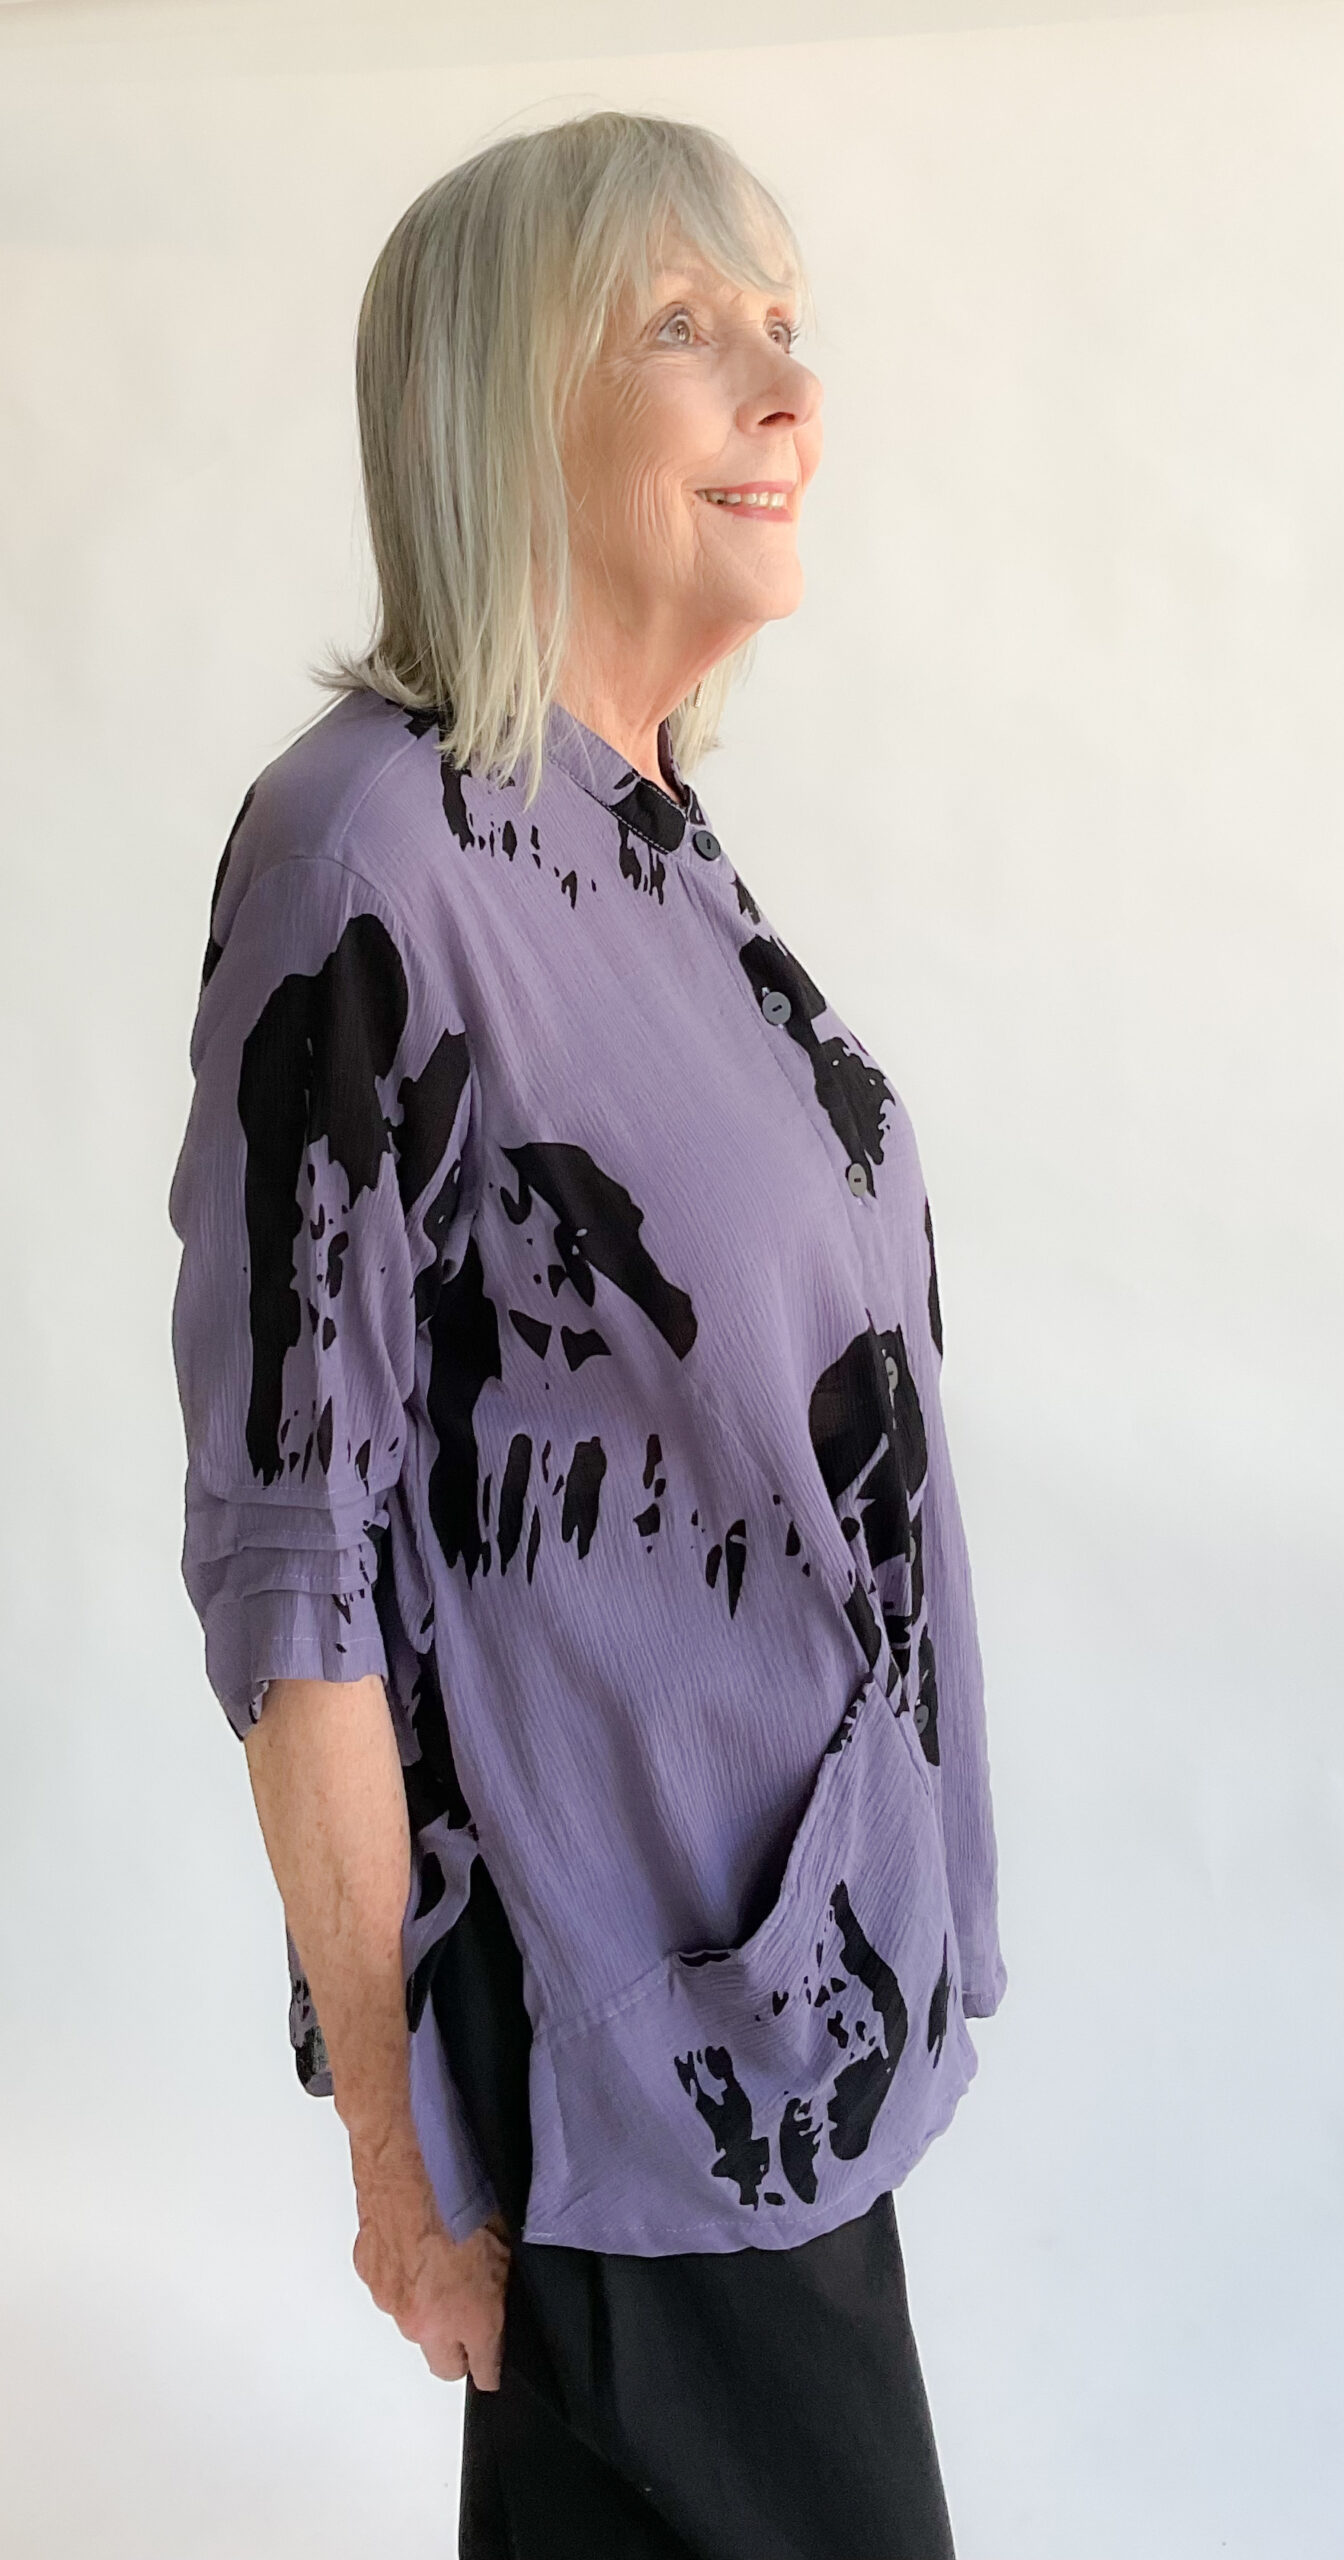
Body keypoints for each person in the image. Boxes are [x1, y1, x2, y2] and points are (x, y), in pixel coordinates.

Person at [169, 108, 1008, 2560]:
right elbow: (295, 1556)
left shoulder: (635, 837)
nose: (787, 385)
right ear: (493, 409)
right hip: (646, 2054)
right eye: (683, 324)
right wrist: (394, 2142)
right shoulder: (374, 851)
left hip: (787, 2015)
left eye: (785, 322)